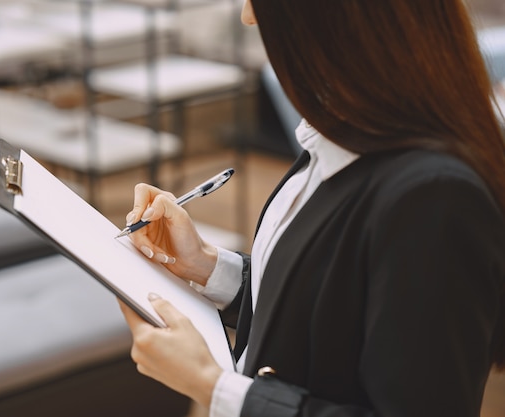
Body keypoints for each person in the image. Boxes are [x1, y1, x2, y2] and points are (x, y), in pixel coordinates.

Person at [117, 1, 505, 416]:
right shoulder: (335, 133)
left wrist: (211, 386)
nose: (249, 15)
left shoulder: (436, 199)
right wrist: (206, 265)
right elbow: (329, 307)